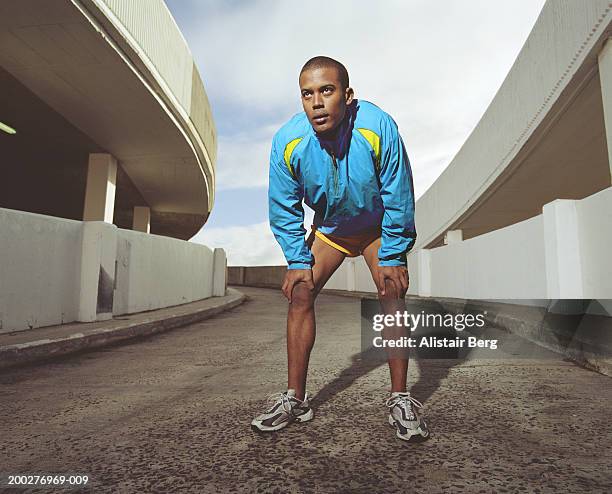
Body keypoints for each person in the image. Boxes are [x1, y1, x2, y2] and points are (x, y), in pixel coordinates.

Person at [251, 56, 429, 441]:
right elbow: (283, 206)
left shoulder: (377, 126)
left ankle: (400, 397)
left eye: (326, 91)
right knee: (301, 289)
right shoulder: (288, 141)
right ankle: (295, 399)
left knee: (391, 290)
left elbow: (399, 193)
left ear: (347, 96)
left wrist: (394, 254)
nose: (317, 102)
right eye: (307, 94)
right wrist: (297, 260)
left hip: (376, 227)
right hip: (331, 229)